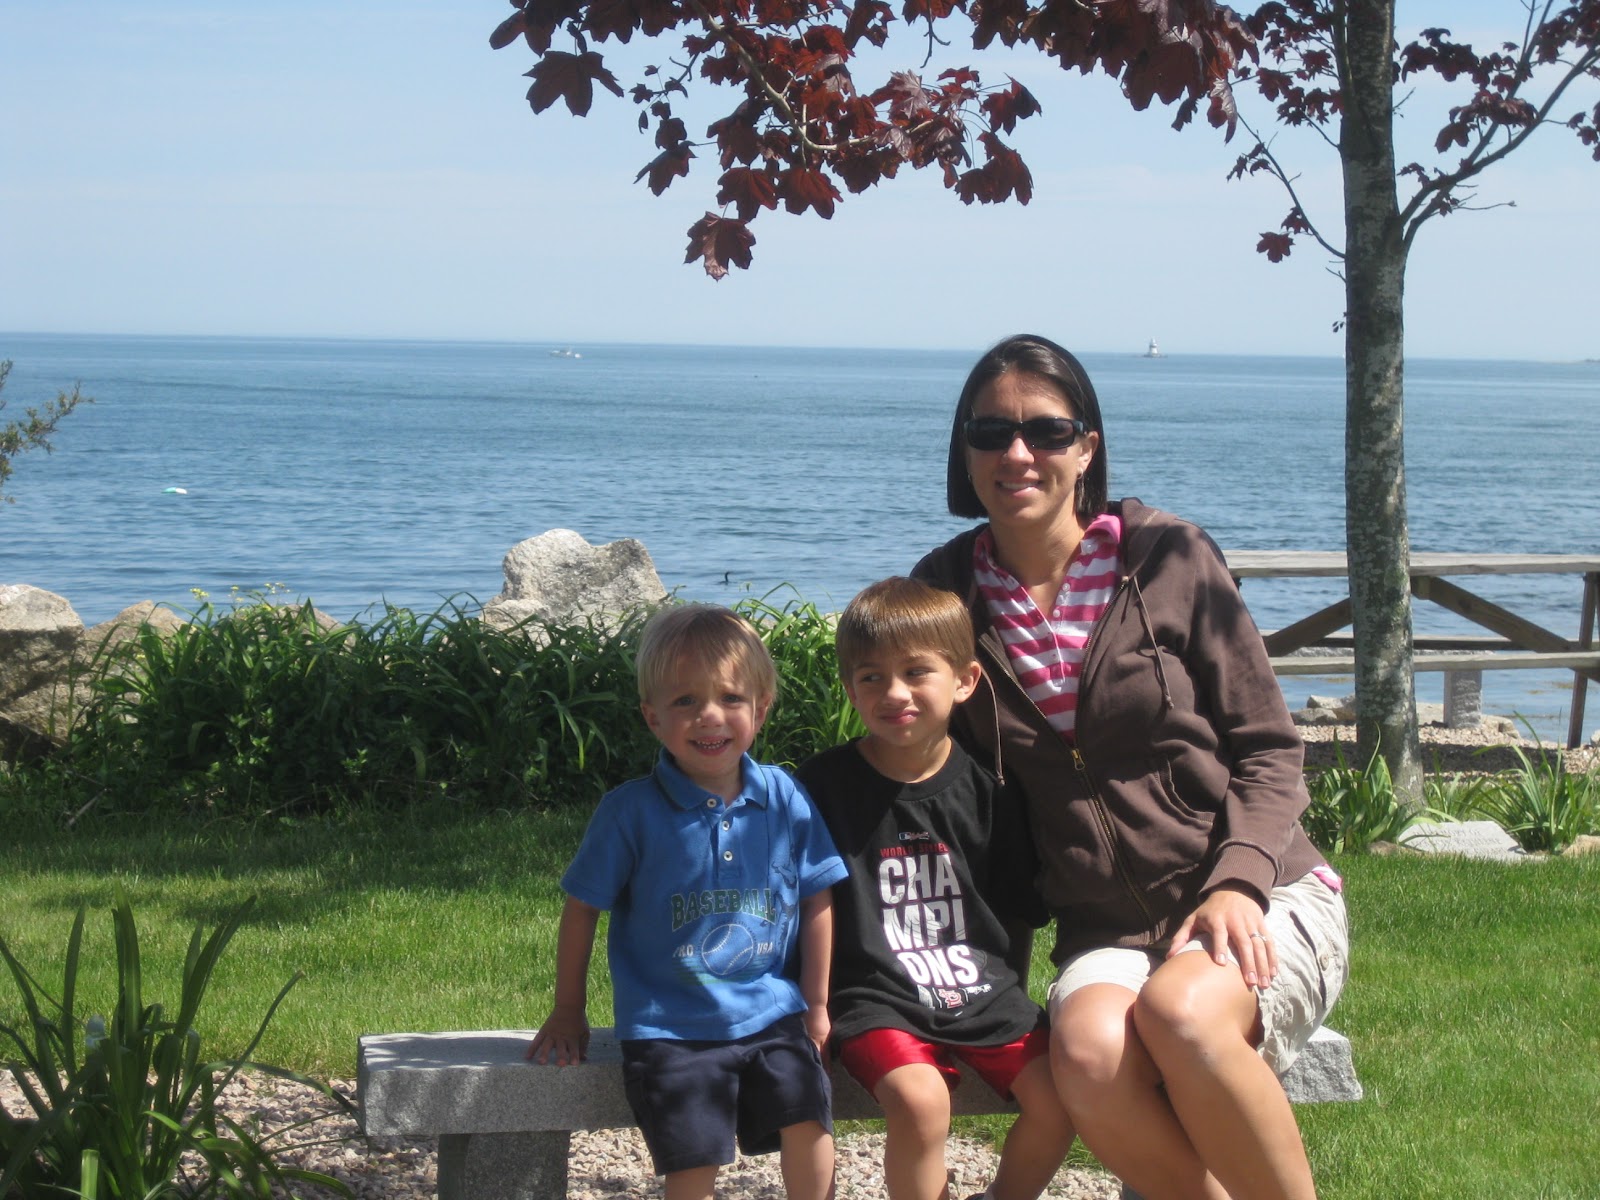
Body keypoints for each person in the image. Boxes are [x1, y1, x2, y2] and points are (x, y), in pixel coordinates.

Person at [911, 334, 1350, 1200]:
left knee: (1181, 1013)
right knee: (1086, 1055)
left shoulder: (1168, 558)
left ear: (1087, 448)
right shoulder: (945, 594)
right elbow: (930, 781)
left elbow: (1270, 748)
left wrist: (1238, 882)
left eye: (1046, 430)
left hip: (1258, 891)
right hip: (1103, 929)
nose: (1017, 453)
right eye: (991, 431)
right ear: (964, 451)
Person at [527, 603, 849, 1200]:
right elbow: (582, 909)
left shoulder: (783, 797)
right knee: (694, 1152)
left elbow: (817, 897)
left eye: (730, 697)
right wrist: (568, 1009)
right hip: (668, 1026)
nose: (709, 716)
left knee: (807, 1114)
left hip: (772, 1014)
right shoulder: (630, 812)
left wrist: (817, 1004)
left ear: (761, 709)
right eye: (685, 701)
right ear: (652, 717)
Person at [797, 577, 1074, 1200]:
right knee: (921, 1102)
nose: (894, 693)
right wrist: (809, 1003)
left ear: (965, 680)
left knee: (1061, 1099)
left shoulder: (991, 790)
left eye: (916, 671)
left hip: (981, 990)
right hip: (875, 996)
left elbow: (1015, 910)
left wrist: (1011, 992)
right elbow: (801, 903)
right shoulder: (823, 786)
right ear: (851, 690)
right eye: (871, 677)